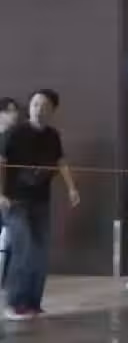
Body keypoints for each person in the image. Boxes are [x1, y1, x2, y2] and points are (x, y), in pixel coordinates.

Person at [0, 89, 80, 319]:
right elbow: (1, 162)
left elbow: (60, 161)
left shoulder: (52, 136)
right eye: (35, 104)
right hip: (15, 201)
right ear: (30, 107)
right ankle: (15, 304)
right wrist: (1, 194)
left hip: (40, 201)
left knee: (40, 253)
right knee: (23, 249)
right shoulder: (14, 133)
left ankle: (33, 303)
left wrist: (72, 188)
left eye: (44, 106)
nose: (39, 109)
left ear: (52, 110)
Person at [0, 98, 19, 286]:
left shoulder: (14, 139)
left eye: (15, 110)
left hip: (11, 196)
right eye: (10, 111)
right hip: (3, 196)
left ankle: (7, 280)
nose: (15, 115)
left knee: (12, 238)